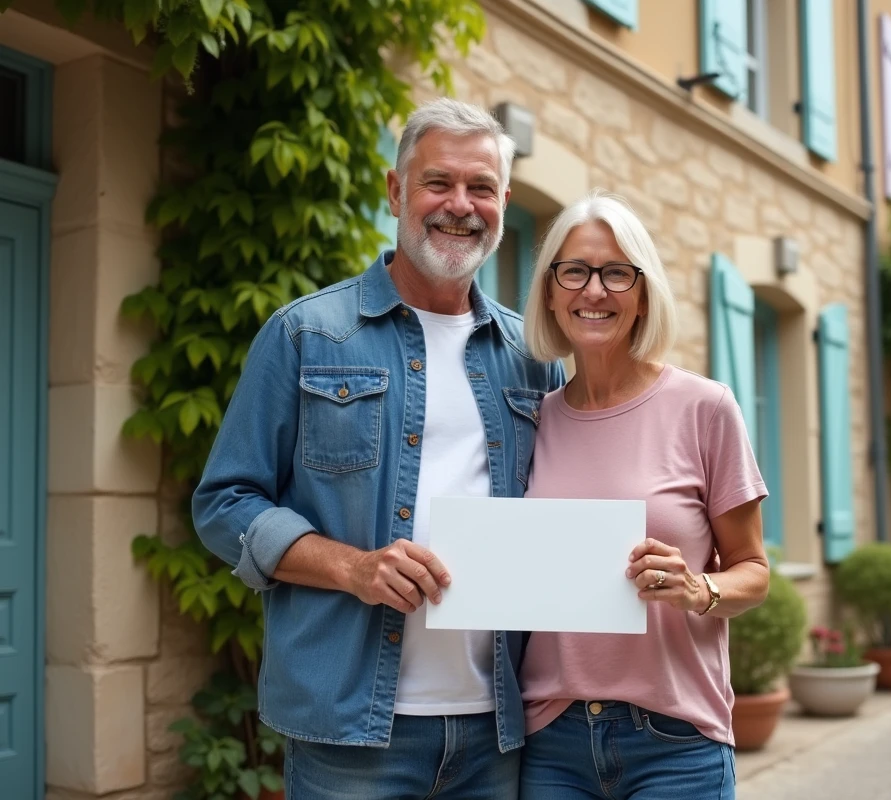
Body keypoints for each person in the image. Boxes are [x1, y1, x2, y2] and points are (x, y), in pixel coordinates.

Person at [191, 98, 563, 800]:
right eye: (438, 183)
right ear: (395, 191)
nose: (460, 205)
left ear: (504, 203)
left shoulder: (534, 356)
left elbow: (566, 509)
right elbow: (224, 503)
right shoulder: (306, 334)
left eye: (480, 187)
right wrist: (353, 568)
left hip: (500, 730)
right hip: (351, 733)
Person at [517, 191, 770, 799]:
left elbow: (754, 572)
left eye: (616, 274)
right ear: (551, 292)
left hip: (676, 741)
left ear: (643, 292)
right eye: (574, 271)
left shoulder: (705, 408)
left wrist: (698, 589)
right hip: (551, 740)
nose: (594, 291)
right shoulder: (528, 420)